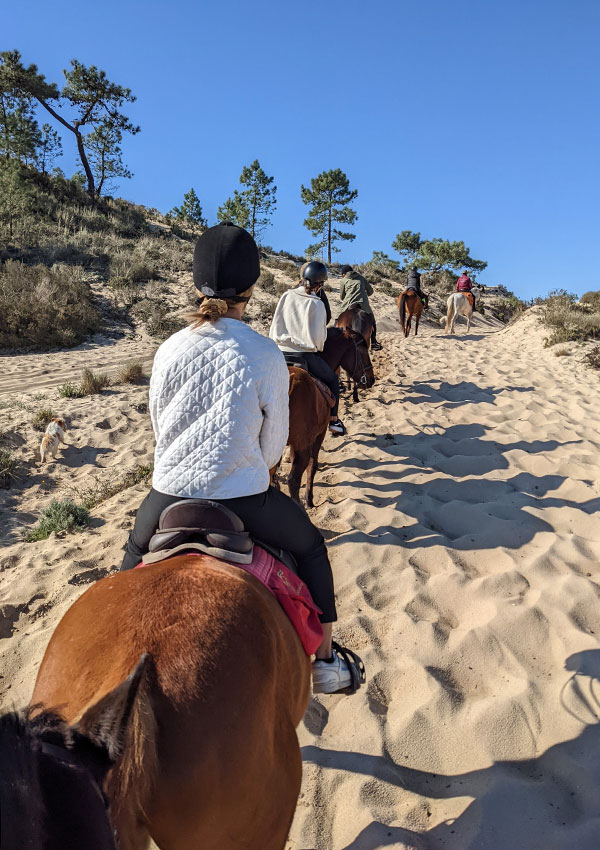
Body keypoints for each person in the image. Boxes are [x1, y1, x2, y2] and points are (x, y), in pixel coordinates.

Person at [121, 223, 359, 695]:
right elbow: (274, 447)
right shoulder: (262, 352)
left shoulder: (168, 348)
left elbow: (158, 426)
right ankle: (327, 663)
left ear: (195, 284)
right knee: (311, 548)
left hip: (167, 491)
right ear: (250, 289)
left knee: (129, 562)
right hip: (243, 497)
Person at [270, 260, 347, 436]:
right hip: (304, 356)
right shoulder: (317, 303)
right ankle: (334, 421)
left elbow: (275, 323)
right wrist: (317, 346)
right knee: (333, 381)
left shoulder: (286, 295)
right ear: (319, 284)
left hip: (279, 353)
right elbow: (319, 339)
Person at [338, 264, 382, 350]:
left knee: (337, 319)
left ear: (344, 274)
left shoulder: (343, 280)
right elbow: (370, 291)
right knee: (372, 320)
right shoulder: (361, 277)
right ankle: (373, 342)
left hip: (348, 304)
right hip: (363, 304)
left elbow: (342, 297)